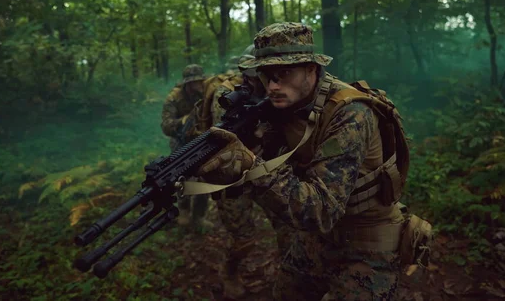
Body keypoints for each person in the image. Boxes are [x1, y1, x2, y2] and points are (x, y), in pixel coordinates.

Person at [194, 22, 411, 300]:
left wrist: (251, 164)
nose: (272, 86)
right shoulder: (287, 102)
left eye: (284, 73)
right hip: (317, 237)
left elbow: (321, 211)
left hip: (367, 238)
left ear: (312, 69)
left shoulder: (350, 114)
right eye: (266, 75)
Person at [187, 46, 294, 299]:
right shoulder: (226, 94)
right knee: (244, 239)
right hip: (232, 177)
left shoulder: (279, 90)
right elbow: (226, 140)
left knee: (289, 227)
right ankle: (230, 272)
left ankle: (292, 277)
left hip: (266, 170)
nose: (264, 79)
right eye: (256, 73)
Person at [160, 64, 213, 231]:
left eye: (200, 81)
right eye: (195, 82)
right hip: (181, 144)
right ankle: (183, 211)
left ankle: (199, 216)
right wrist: (182, 122)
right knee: (181, 177)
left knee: (205, 177)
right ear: (187, 84)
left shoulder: (206, 93)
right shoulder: (174, 98)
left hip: (202, 140)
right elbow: (166, 126)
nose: (198, 85)